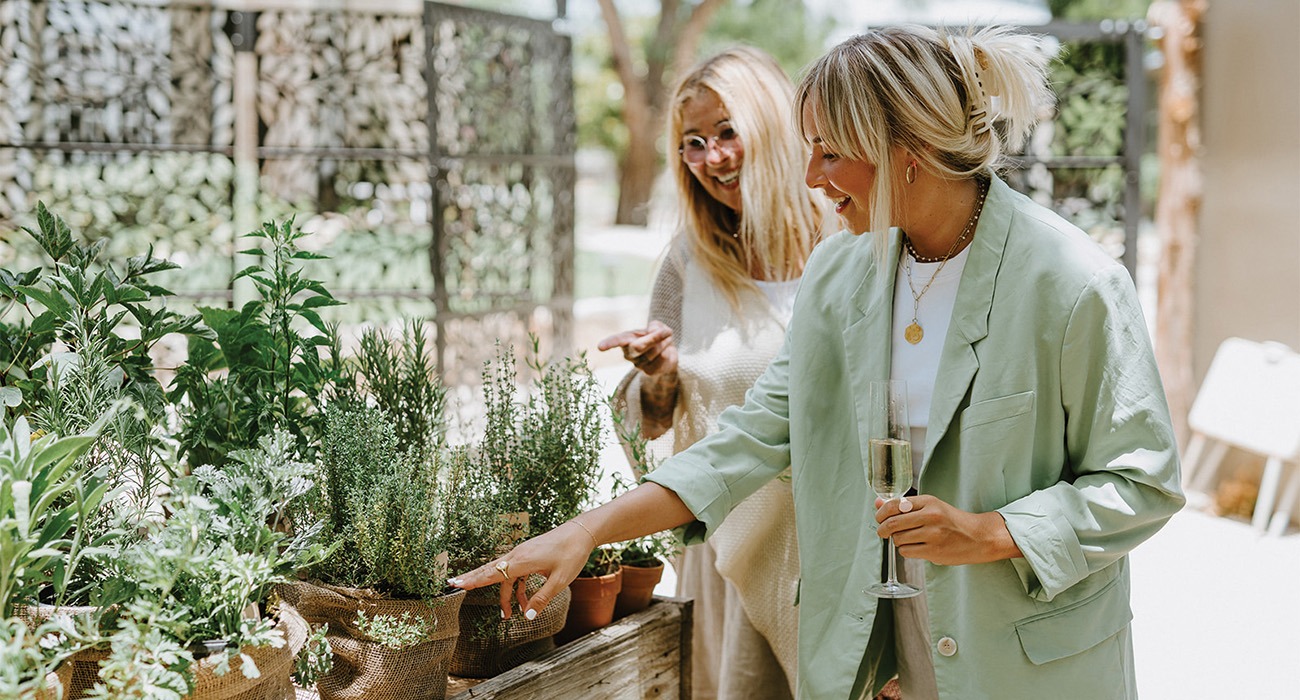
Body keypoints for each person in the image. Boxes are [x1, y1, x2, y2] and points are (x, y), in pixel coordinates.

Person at [450, 25, 1184, 700]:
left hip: (1026, 667)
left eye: (829, 151)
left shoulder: (1072, 281)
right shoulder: (842, 274)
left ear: (906, 149)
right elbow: (749, 440)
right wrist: (584, 531)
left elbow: (1143, 481)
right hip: (880, 661)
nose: (808, 176)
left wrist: (996, 532)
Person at [595, 46, 827, 700]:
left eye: (728, 132)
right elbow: (653, 420)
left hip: (841, 549)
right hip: (734, 553)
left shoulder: (849, 236)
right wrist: (661, 378)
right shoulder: (686, 263)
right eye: (693, 143)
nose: (713, 157)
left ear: (774, 126)